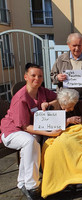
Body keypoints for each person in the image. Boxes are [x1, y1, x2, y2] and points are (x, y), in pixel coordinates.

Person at [0, 63, 62, 200]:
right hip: (12, 131)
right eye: (33, 75)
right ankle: (32, 186)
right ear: (26, 77)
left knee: (32, 142)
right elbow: (24, 127)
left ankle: (23, 183)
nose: (37, 79)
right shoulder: (21, 98)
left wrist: (49, 104)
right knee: (30, 141)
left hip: (31, 130)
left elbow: (59, 96)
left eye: (40, 76)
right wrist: (49, 133)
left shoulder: (42, 91)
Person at [40, 88, 82, 198]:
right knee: (54, 149)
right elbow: (49, 125)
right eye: (65, 107)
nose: (67, 110)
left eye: (70, 107)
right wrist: (67, 121)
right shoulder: (54, 107)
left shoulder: (81, 104)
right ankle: (61, 182)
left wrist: (81, 120)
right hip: (63, 133)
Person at [50, 33, 82, 106]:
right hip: (66, 100)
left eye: (79, 45)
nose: (77, 48)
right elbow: (52, 76)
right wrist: (57, 77)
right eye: (74, 45)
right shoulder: (61, 59)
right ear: (68, 45)